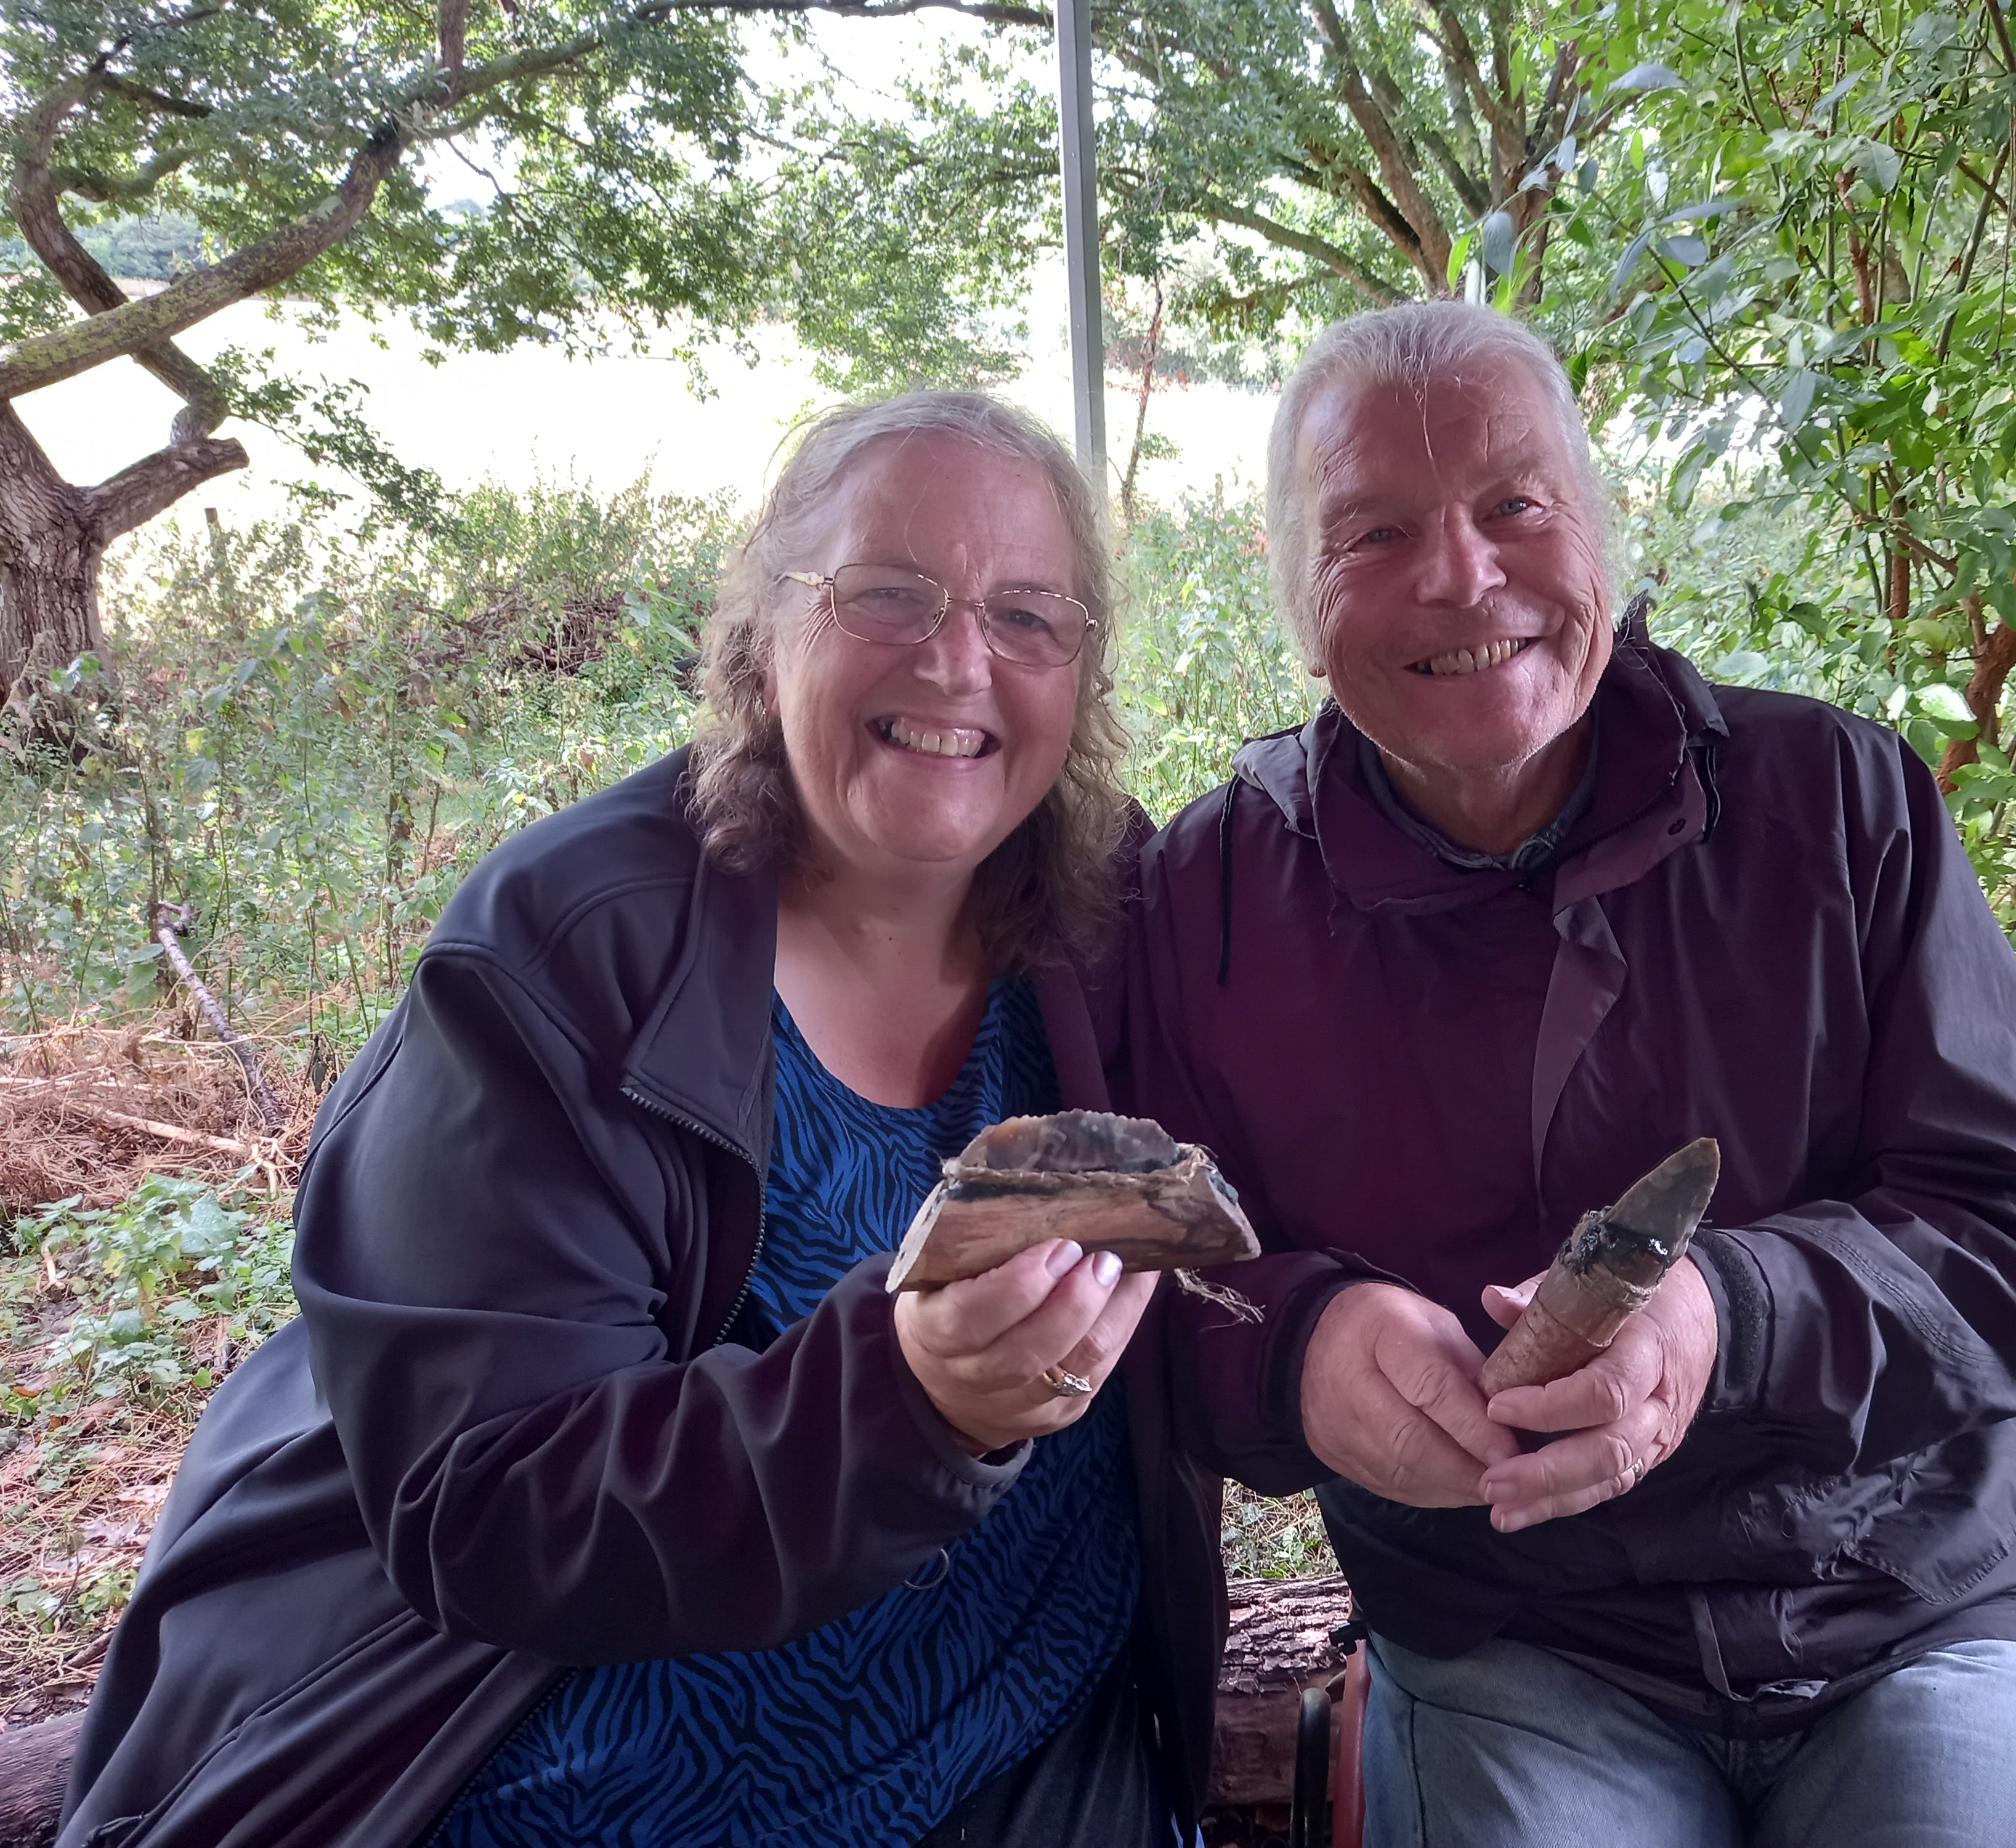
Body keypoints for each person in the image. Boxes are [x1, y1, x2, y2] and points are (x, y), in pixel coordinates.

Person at [59, 393, 1221, 1848]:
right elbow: (486, 1502)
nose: (955, 658)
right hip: (593, 1755)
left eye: (1027, 614)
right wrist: (906, 1405)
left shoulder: (1109, 912)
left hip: (1016, 1713)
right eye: (886, 593)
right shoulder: (562, 950)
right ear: (761, 634)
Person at [1118, 301, 2016, 1846]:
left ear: (1601, 529)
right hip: (1506, 1629)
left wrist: (1734, 1318)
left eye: (1514, 505)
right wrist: (1300, 1347)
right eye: (1374, 532)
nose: (1463, 576)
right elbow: (1161, 1294)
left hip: (1901, 1597)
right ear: (1293, 596)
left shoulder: (1836, 803)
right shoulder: (1212, 898)